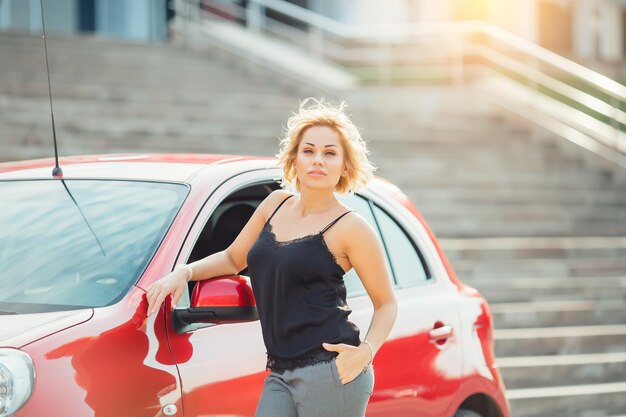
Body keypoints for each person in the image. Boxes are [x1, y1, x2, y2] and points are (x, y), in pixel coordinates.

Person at [146, 98, 398, 417]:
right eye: (308, 151)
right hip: (279, 369)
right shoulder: (274, 204)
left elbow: (387, 303)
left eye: (330, 153)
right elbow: (232, 259)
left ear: (345, 166)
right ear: (294, 159)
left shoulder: (351, 227)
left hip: (331, 371)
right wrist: (183, 272)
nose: (317, 160)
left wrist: (366, 353)